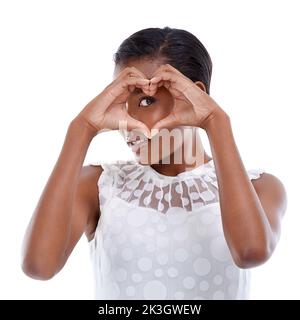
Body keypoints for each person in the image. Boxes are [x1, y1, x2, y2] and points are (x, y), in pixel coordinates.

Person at [21, 27, 287, 300]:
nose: (128, 122)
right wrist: (82, 128)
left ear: (194, 97)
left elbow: (251, 252)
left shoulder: (260, 187)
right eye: (123, 103)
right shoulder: (99, 186)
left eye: (146, 101)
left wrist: (216, 122)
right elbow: (39, 266)